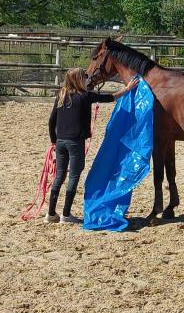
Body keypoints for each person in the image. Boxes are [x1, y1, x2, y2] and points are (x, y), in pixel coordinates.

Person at [45, 68, 129, 223]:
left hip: (61, 141)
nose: (87, 79)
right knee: (74, 177)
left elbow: (51, 122)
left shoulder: (61, 95)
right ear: (78, 79)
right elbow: (110, 97)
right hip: (75, 142)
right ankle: (66, 214)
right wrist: (127, 89)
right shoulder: (84, 96)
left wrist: (53, 141)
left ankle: (51, 214)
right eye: (85, 76)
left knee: (59, 176)